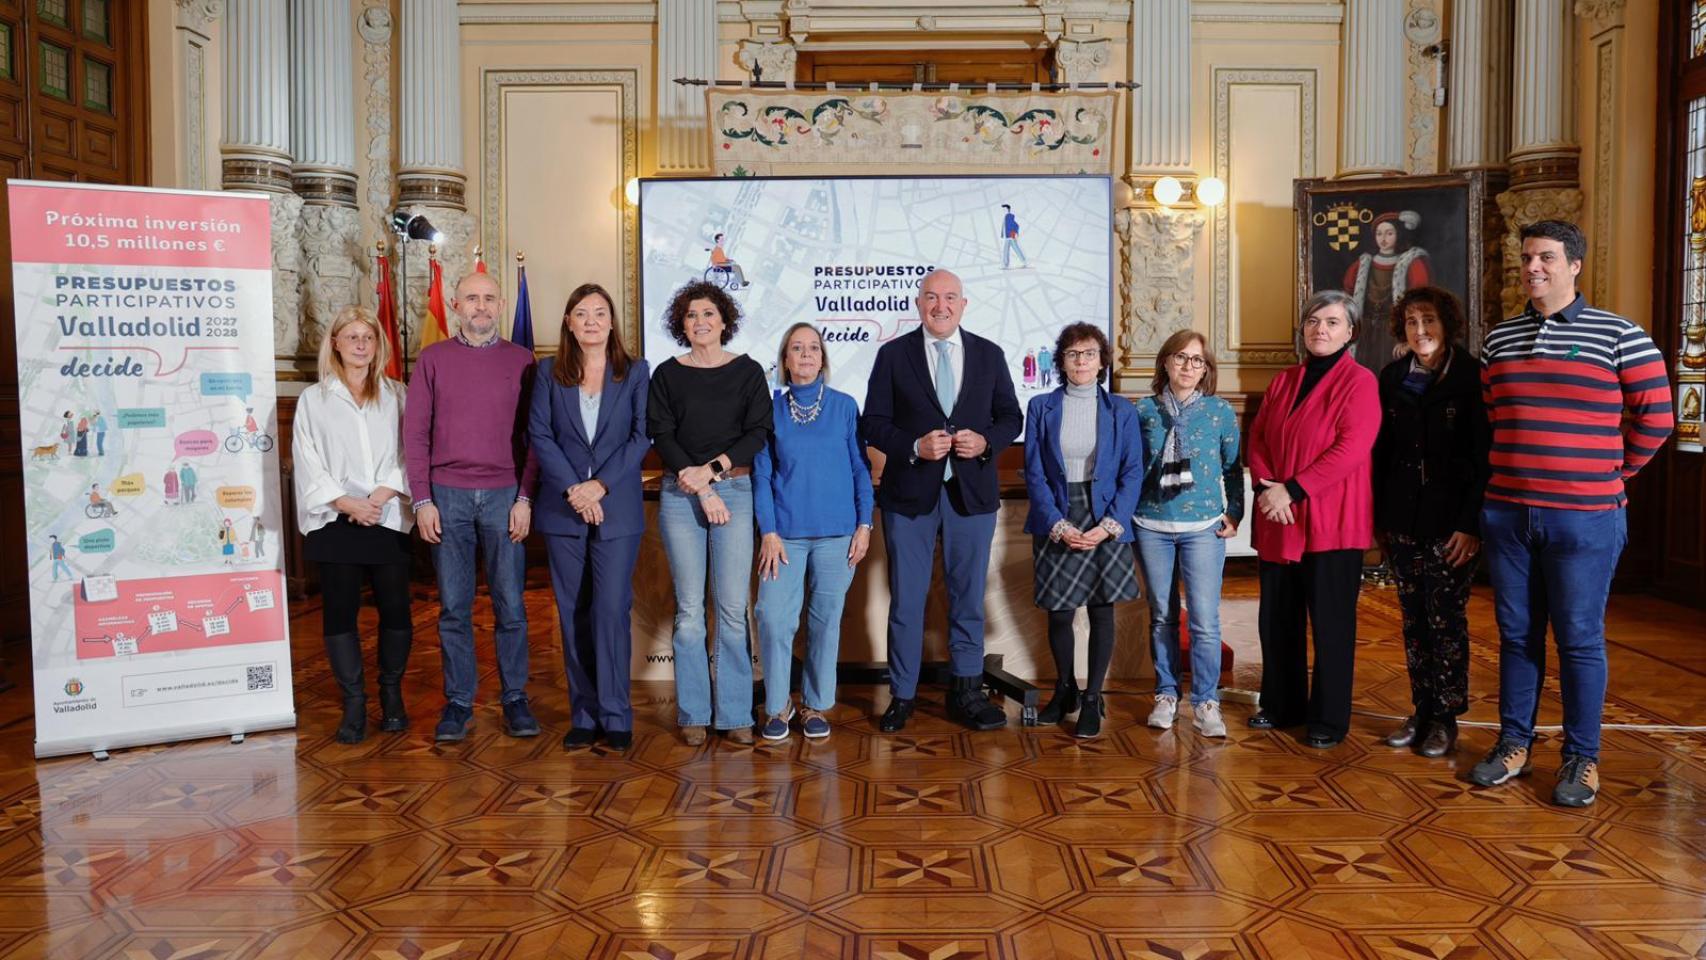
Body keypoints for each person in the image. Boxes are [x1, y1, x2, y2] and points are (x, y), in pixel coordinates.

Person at [1468, 220, 1673, 807]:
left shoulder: (1621, 335)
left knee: (1580, 640)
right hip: (1508, 514)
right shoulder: (1500, 340)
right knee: (1516, 636)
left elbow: (1657, 419)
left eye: (1547, 258)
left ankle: (1582, 759)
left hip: (1585, 517)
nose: (1534, 268)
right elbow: (1496, 416)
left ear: (1575, 265)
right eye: (1528, 258)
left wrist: (1611, 474)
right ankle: (1513, 744)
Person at [861, 269, 1024, 732]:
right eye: (932, 297)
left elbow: (1011, 416)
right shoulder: (893, 355)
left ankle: (968, 691)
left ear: (963, 304)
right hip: (909, 495)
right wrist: (914, 446)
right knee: (907, 600)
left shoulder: (990, 355)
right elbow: (873, 422)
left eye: (950, 297)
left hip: (970, 494)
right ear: (918, 303)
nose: (941, 305)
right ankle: (902, 695)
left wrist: (987, 442)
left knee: (968, 597)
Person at [405, 271, 541, 743]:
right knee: (454, 608)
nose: (480, 307)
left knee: (511, 605)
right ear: (455, 305)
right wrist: (422, 499)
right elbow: (415, 434)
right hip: (447, 496)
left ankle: (515, 698)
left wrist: (525, 497)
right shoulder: (432, 359)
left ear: (501, 305)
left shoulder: (524, 361)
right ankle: (459, 702)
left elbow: (535, 438)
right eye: (471, 299)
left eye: (488, 298)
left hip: (506, 494)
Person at [1246, 290, 1381, 749]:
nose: (1320, 329)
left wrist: (1293, 489)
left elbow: (1351, 448)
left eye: (1332, 322)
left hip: (1331, 520)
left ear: (1350, 332)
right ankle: (1281, 705)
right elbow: (1259, 437)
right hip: (1279, 518)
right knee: (1277, 619)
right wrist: (1269, 488)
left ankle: (1327, 719)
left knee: (1331, 625)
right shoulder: (1284, 380)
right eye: (1313, 321)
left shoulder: (1360, 382)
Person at [647, 280, 772, 744]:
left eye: (708, 314)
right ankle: (695, 713)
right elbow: (661, 434)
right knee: (688, 611)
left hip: (735, 491)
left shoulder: (749, 371)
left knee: (733, 609)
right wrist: (698, 485)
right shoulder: (667, 374)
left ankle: (736, 714)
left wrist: (714, 473)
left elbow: (758, 432)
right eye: (691, 316)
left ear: (724, 321)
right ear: (681, 325)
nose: (700, 322)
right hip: (681, 495)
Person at [529, 283, 651, 752]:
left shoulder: (635, 372)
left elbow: (642, 436)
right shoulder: (547, 373)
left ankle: (617, 714)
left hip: (616, 509)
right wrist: (575, 491)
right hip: (564, 510)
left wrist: (599, 486)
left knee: (611, 611)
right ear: (569, 323)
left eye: (600, 313)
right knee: (573, 612)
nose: (592, 321)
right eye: (582, 314)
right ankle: (584, 713)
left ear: (612, 322)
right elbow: (540, 434)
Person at [1371, 286, 1489, 759]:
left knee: (1445, 620)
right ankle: (1420, 708)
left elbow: (1484, 460)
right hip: (1402, 517)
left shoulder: (1473, 376)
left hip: (1451, 524)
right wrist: (1380, 518)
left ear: (1448, 326)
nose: (1420, 331)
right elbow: (1381, 454)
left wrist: (1471, 524)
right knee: (1413, 618)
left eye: (1430, 321)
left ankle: (1445, 718)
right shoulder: (1393, 376)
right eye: (1412, 322)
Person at [292, 305, 416, 743]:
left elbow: (410, 451)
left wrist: (379, 496)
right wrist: (347, 503)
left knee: (396, 610)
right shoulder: (314, 400)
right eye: (353, 337)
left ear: (378, 345)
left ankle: (392, 695)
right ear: (336, 344)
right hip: (337, 519)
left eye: (369, 337)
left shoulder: (398, 394)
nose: (361, 344)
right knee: (340, 613)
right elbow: (307, 459)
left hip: (386, 514)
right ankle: (354, 704)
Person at [753, 323, 874, 741]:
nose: (805, 354)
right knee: (772, 617)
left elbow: (861, 469)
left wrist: (865, 524)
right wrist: (767, 531)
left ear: (822, 358)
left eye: (813, 348)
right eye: (796, 348)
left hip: (839, 533)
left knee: (825, 623)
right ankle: (777, 706)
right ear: (785, 360)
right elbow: (762, 476)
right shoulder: (768, 410)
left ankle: (815, 705)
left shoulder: (844, 406)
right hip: (783, 536)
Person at [1022, 323, 1143, 738]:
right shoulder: (1041, 406)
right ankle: (1064, 690)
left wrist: (1109, 526)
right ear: (1061, 362)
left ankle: (1092, 698)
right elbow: (1034, 472)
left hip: (1104, 514)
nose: (1081, 361)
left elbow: (1132, 472)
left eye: (1089, 353)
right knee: (1059, 612)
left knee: (1101, 610)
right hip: (1058, 513)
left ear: (1102, 360)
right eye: (1072, 354)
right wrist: (1057, 523)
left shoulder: (1121, 411)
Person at [1133, 330, 1244, 737]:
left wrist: (1235, 513)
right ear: (1165, 362)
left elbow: (1232, 469)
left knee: (1204, 620)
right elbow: (1130, 470)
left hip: (1202, 528)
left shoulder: (1219, 412)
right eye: (1180, 358)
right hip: (1151, 525)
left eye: (1197, 360)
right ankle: (1166, 693)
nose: (1188, 367)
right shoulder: (1143, 412)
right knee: (1161, 615)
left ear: (1206, 369)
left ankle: (1206, 700)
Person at [1344, 210, 1432, 372]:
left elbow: (1420, 303)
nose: (1383, 239)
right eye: (1379, 234)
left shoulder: (1411, 263)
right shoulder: (1363, 264)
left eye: (1389, 233)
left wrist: (1408, 339)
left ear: (1398, 235)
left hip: (1394, 333)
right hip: (1367, 332)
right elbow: (1348, 292)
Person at [999, 204, 1030, 269]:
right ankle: (1024, 261)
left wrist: (1013, 232)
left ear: (1007, 209)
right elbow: (1007, 226)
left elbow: (1014, 225)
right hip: (1008, 236)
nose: (1002, 210)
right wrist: (1003, 234)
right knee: (1015, 249)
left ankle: (1006, 264)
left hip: (1009, 236)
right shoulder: (1006, 216)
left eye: (1004, 209)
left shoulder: (1008, 216)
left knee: (1007, 250)